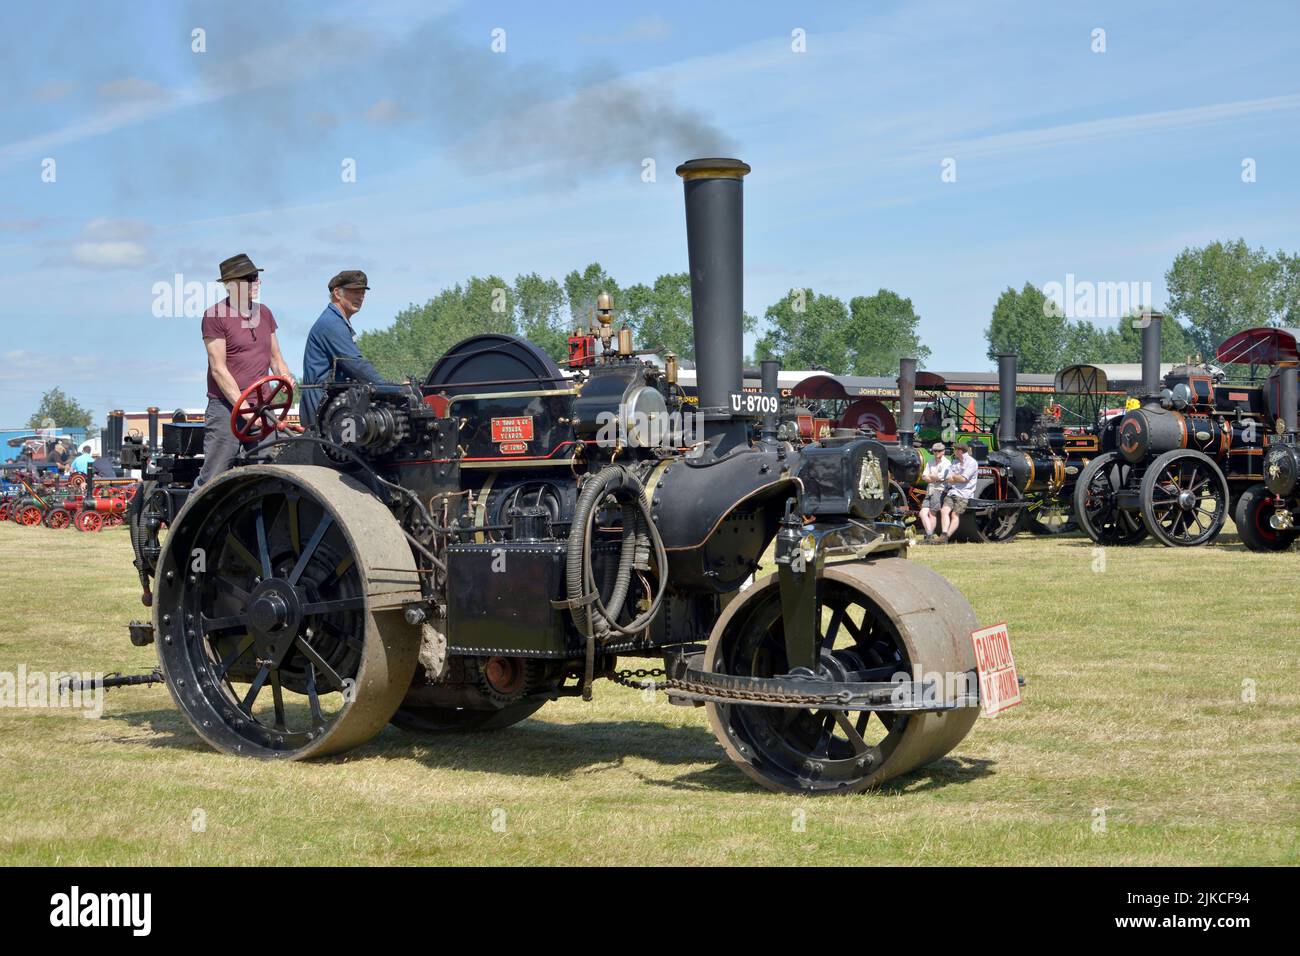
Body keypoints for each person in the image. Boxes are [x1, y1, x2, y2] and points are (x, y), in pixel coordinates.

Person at [196, 253, 295, 487]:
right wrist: (246, 410)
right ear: (231, 285)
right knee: (214, 476)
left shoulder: (265, 313)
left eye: (256, 277)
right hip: (226, 408)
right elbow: (218, 369)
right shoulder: (215, 316)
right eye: (249, 278)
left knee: (268, 472)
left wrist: (286, 377)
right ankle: (186, 523)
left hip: (263, 406)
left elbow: (275, 357)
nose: (255, 283)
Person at [300, 270, 386, 428]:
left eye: (362, 293)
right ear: (337, 293)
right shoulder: (331, 324)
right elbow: (356, 365)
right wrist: (388, 388)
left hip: (333, 405)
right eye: (354, 292)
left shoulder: (338, 321)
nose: (360, 297)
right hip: (325, 409)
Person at [939, 440, 979, 542]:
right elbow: (949, 478)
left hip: (964, 494)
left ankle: (947, 537)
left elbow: (964, 479)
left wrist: (954, 478)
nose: (954, 452)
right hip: (953, 491)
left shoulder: (972, 463)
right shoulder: (955, 462)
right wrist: (955, 478)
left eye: (955, 449)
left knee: (954, 515)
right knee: (944, 511)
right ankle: (943, 534)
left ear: (960, 451)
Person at [917, 441, 950, 543]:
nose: (936, 453)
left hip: (939, 490)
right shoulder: (930, 462)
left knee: (932, 514)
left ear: (943, 452)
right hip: (930, 490)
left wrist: (931, 477)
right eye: (934, 451)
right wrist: (932, 477)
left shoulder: (947, 463)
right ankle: (929, 534)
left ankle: (929, 536)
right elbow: (924, 476)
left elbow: (940, 478)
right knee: (922, 513)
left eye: (939, 451)